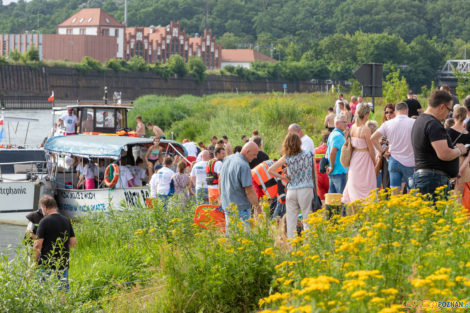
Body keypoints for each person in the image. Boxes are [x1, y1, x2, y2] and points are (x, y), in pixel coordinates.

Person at [411, 90, 467, 196]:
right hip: (432, 180)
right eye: (449, 110)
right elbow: (444, 154)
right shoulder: (433, 124)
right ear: (442, 107)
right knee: (434, 211)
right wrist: (460, 150)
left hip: (425, 177)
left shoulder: (420, 120)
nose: (448, 115)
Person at [268, 133, 316, 239]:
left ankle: (291, 246)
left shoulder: (287, 157)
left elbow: (270, 169)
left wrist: (284, 178)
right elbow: (313, 172)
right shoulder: (308, 154)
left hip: (291, 190)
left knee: (290, 221)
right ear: (299, 142)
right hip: (305, 188)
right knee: (307, 218)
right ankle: (309, 245)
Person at [372, 102, 415, 194]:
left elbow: (373, 138)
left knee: (394, 192)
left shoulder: (388, 124)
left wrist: (383, 152)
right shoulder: (414, 123)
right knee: (411, 191)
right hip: (409, 162)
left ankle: (394, 207)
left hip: (394, 161)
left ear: (395, 111)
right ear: (407, 111)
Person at [34, 195, 76, 290]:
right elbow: (73, 242)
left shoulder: (44, 222)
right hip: (62, 263)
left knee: (43, 292)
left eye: (42, 208)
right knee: (62, 292)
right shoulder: (66, 220)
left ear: (45, 207)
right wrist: (63, 251)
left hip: (46, 264)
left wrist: (35, 262)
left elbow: (37, 245)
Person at [219, 142, 259, 229]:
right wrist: (257, 208)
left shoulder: (227, 159)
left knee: (232, 238)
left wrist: (220, 197)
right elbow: (249, 190)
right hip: (241, 209)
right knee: (243, 239)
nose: (255, 157)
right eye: (254, 154)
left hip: (227, 206)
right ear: (247, 151)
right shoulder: (244, 166)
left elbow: (220, 180)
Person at [342, 103, 377, 203]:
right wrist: (374, 162)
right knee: (368, 185)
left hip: (355, 159)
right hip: (365, 159)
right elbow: (371, 149)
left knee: (355, 185)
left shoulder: (352, 128)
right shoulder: (365, 129)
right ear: (366, 115)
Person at [446, 106, 470, 195]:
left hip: (451, 163)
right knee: (459, 195)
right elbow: (469, 156)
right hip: (464, 166)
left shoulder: (448, 131)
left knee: (447, 194)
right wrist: (460, 171)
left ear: (454, 116)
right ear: (465, 118)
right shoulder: (468, 134)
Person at [326, 114, 349, 194]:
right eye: (344, 122)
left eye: (346, 122)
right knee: (341, 199)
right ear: (336, 124)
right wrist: (332, 166)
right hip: (339, 171)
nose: (346, 124)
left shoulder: (332, 134)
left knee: (333, 199)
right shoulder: (338, 136)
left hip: (335, 171)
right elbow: (332, 152)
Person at [315, 131, 330, 201]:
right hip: (328, 175)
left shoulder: (315, 150)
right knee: (332, 199)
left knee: (322, 200)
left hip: (318, 177)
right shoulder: (330, 149)